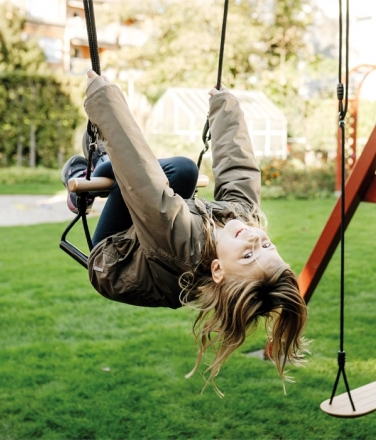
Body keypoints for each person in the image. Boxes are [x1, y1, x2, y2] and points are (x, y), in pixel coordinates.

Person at [61, 70, 308, 396]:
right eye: (266, 244)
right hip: (150, 242)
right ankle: (100, 168)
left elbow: (145, 185)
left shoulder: (185, 247)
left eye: (249, 255)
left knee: (152, 178)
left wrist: (103, 99)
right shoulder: (243, 224)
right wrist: (225, 108)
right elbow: (239, 170)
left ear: (218, 270)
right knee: (183, 171)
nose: (253, 238)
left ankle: (83, 174)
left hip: (115, 257)